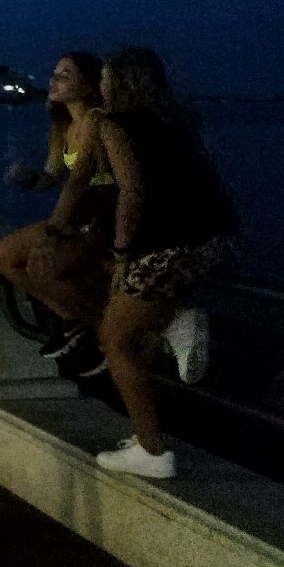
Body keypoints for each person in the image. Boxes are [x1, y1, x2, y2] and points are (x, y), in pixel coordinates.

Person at [86, 49, 237, 479]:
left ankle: (153, 451)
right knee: (131, 326)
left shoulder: (113, 123)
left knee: (114, 341)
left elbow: (132, 192)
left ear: (118, 83)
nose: (101, 87)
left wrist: (121, 253)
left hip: (170, 247)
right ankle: (176, 319)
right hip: (215, 240)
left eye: (106, 79)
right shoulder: (177, 119)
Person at [0, 52, 115, 373]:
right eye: (54, 73)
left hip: (104, 218)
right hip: (78, 217)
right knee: (2, 256)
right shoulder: (65, 126)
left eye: (65, 75)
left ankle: (107, 336)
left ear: (88, 85)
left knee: (41, 266)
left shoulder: (96, 121)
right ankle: (74, 319)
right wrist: (28, 179)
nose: (54, 80)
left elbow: (78, 182)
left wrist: (53, 234)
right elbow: (53, 176)